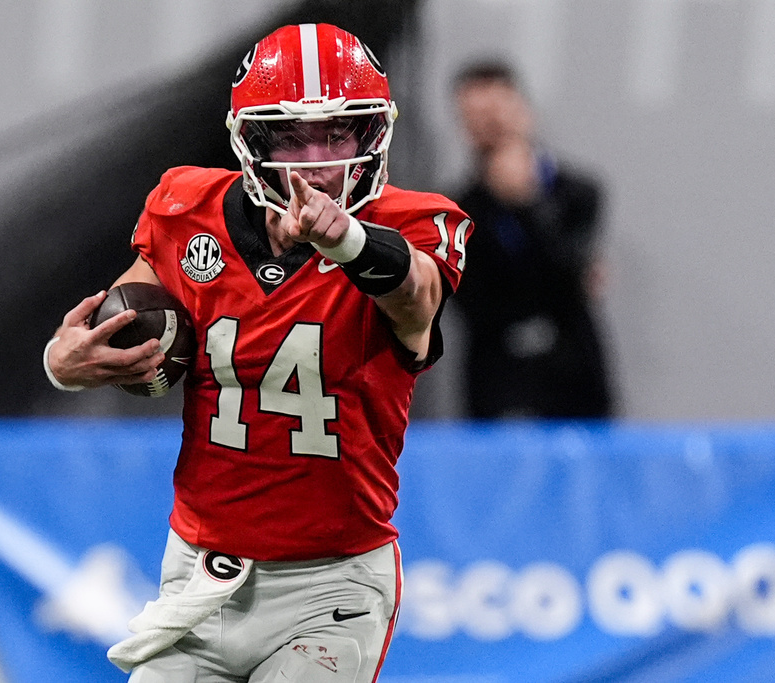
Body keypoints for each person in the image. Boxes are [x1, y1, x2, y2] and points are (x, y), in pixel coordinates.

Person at [43, 23, 472, 682]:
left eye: (338, 133)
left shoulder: (412, 224)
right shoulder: (188, 210)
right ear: (253, 142)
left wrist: (352, 242)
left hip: (330, 587)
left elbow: (417, 299)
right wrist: (67, 361)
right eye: (293, 136)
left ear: (372, 136)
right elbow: (129, 314)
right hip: (199, 575)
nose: (317, 160)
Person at [452, 60, 614, 419]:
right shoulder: (454, 213)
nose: (489, 125)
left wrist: (526, 205)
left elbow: (570, 283)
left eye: (497, 111)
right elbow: (473, 304)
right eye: (476, 116)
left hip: (575, 377)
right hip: (498, 383)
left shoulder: (578, 194)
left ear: (524, 110)